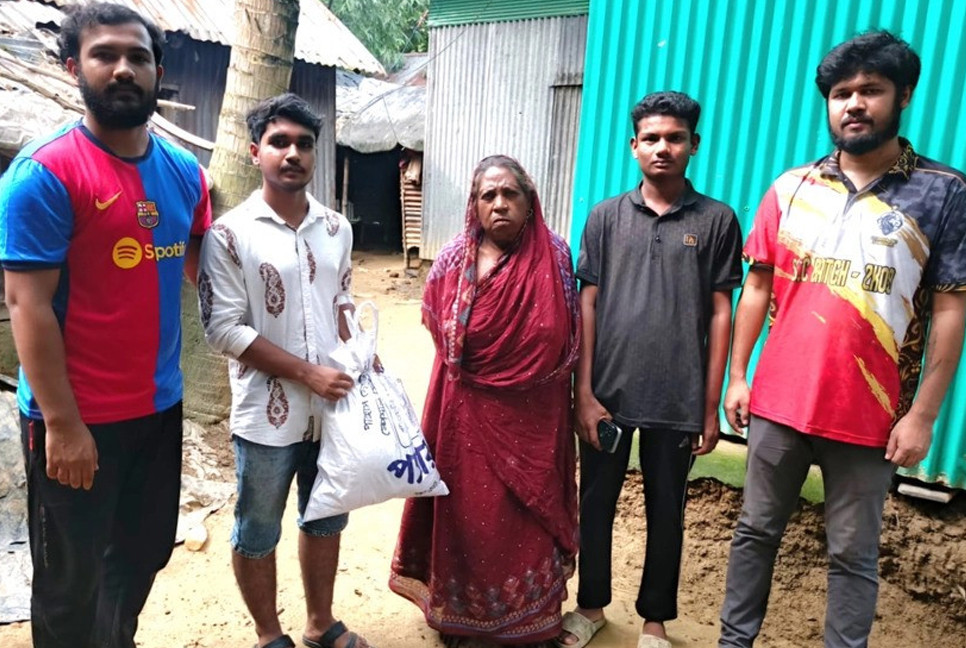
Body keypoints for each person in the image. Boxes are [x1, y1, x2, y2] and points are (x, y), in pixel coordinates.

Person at [718, 31, 966, 648]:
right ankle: (733, 641)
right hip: (779, 404)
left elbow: (951, 310)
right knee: (754, 532)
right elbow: (758, 287)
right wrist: (739, 376)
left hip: (873, 418)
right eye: (840, 93)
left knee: (852, 555)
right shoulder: (791, 187)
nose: (853, 104)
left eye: (870, 90)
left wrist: (924, 417)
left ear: (902, 96)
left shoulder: (943, 193)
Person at [0, 3, 211, 647]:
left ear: (157, 72)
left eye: (138, 56)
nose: (123, 68)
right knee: (70, 580)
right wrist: (62, 425)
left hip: (158, 409)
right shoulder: (45, 174)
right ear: (74, 68)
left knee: (142, 553)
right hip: (76, 419)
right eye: (105, 55)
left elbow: (215, 274)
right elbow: (26, 304)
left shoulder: (184, 174)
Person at [560, 91, 743, 648]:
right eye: (652, 138)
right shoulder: (606, 218)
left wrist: (709, 407)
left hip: (678, 398)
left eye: (675, 138)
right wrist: (583, 392)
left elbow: (720, 312)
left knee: (668, 512)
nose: (663, 147)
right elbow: (586, 304)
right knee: (595, 503)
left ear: (694, 146)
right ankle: (590, 605)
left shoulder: (716, 220)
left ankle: (655, 622)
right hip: (608, 395)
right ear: (633, 146)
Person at [198, 93, 368, 648]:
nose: (292, 153)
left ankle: (320, 624)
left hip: (332, 410)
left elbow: (341, 301)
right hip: (266, 417)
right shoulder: (230, 234)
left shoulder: (337, 228)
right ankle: (270, 635)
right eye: (279, 142)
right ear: (255, 152)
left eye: (304, 144)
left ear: (315, 153)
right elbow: (224, 329)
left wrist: (362, 354)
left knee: (325, 519)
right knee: (257, 531)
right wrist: (307, 374)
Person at [389, 155, 580, 646]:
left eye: (509, 194)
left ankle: (533, 620)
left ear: (528, 199)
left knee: (527, 513)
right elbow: (436, 322)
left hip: (537, 415)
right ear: (474, 205)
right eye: (487, 195)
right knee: (467, 514)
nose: (500, 204)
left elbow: (569, 333)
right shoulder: (455, 259)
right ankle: (460, 616)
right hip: (465, 410)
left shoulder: (555, 255)